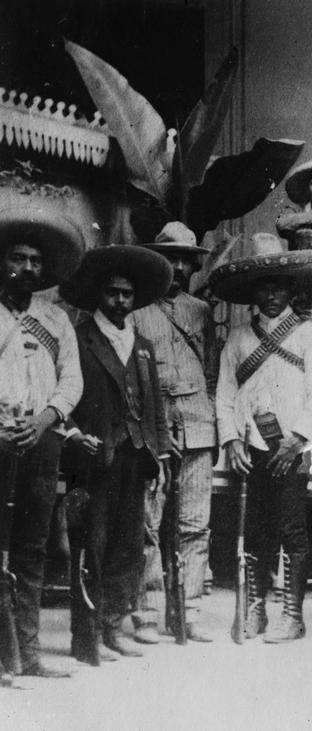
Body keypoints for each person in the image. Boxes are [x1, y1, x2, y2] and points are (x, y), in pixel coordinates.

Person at [210, 236, 312, 643]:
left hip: (292, 449)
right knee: (257, 529)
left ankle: (291, 614)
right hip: (253, 449)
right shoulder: (239, 339)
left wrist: (296, 439)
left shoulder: (310, 334)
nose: (273, 295)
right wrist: (231, 441)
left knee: (293, 529)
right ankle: (256, 608)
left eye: (280, 286)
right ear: (254, 293)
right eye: (264, 287)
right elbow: (226, 394)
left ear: (292, 289)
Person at [61, 244, 174, 663]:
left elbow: (154, 407)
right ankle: (85, 636)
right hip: (92, 457)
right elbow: (65, 395)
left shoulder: (142, 344)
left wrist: (160, 456)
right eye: (112, 293)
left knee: (128, 545)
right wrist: (73, 433)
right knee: (92, 543)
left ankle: (112, 625)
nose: (120, 301)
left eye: (127, 294)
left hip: (136, 455)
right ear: (98, 295)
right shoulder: (79, 338)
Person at [0, 208, 83, 678]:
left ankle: (28, 653)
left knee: (33, 546)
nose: (27, 268)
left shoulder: (56, 319)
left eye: (35, 261)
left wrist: (46, 419)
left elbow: (71, 381)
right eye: (18, 258)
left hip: (42, 439)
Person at [127, 222, 217, 644]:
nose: (179, 267)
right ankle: (145, 609)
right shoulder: (135, 309)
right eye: (171, 258)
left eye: (187, 260)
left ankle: (190, 609)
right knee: (148, 521)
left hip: (198, 424)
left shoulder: (201, 311)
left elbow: (211, 370)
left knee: (195, 523)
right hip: (154, 426)